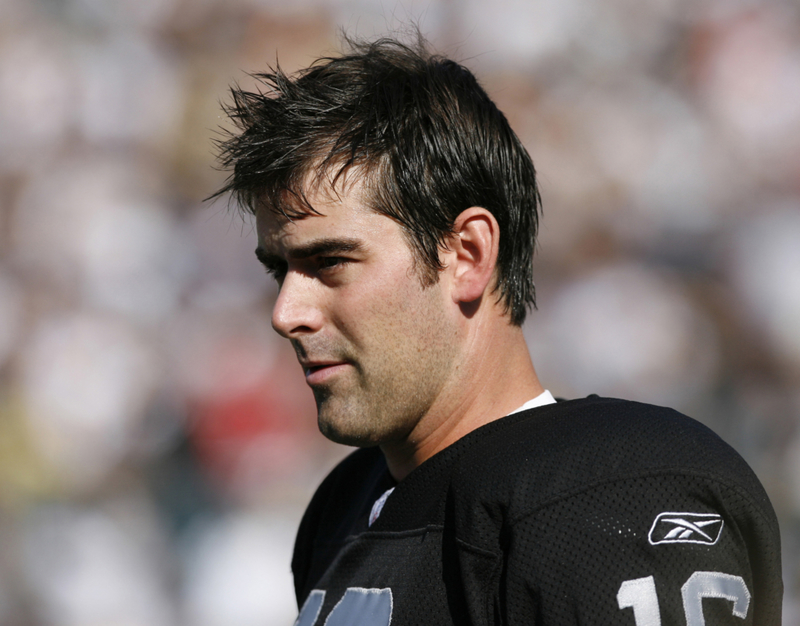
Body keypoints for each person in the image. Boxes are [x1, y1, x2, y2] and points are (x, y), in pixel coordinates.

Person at [211, 36, 782, 625]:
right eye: (280, 270)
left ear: (467, 254)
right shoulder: (345, 509)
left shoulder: (603, 491)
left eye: (330, 263)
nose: (286, 313)